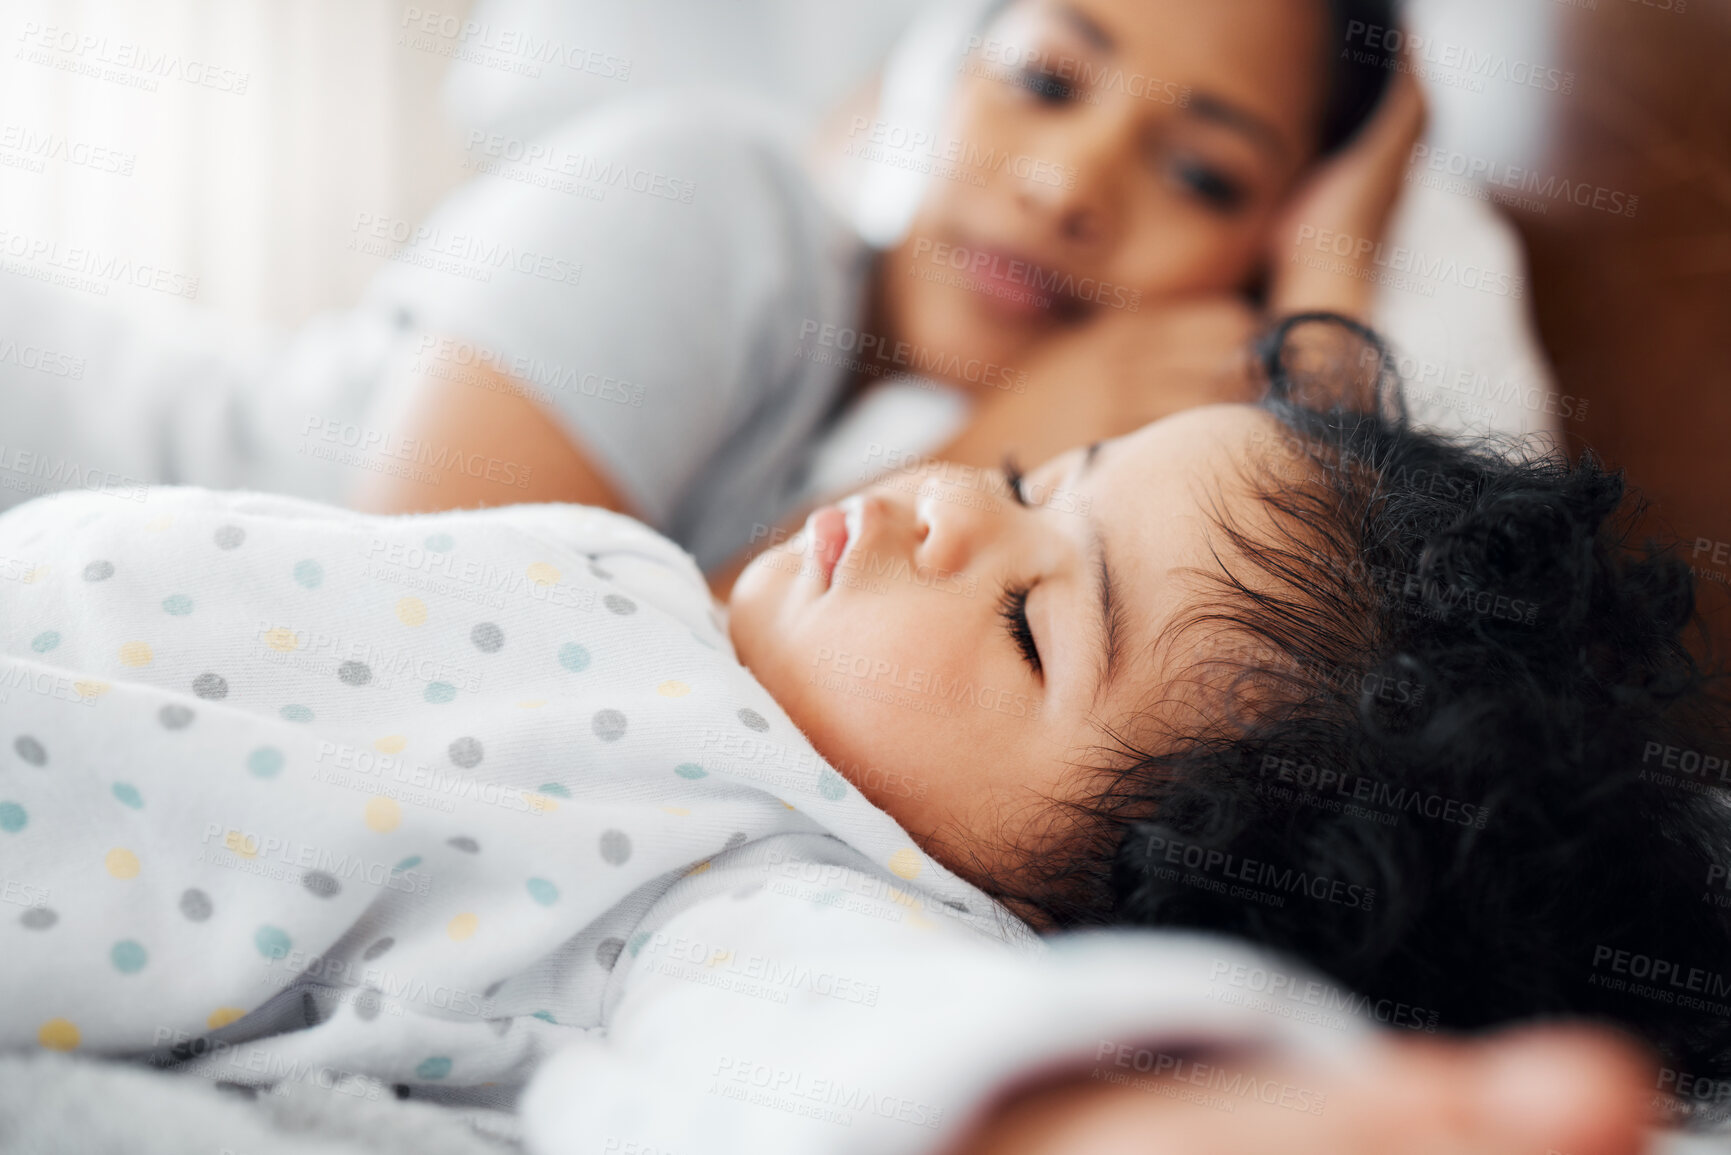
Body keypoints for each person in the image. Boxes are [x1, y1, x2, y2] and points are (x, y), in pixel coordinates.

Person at [0, 316, 1724, 1153]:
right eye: (1038, 481)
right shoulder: (697, 631)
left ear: (1064, 909)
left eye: (1034, 624)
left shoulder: (782, 879)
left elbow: (821, 1061)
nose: (947, 523)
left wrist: (1071, 1122)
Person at [351, 0, 1435, 584]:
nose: (1064, 188)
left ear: (1261, 255)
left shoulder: (1078, 519)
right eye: (1044, 81)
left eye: (1202, 173)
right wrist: (986, 450)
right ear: (950, 78)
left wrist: (1327, 302)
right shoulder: (701, 199)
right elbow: (440, 657)